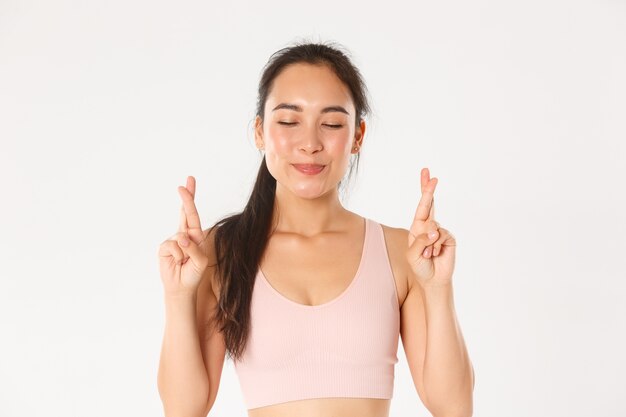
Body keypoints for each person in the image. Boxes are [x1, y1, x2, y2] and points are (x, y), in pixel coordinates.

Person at [157, 41, 475, 417]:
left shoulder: (399, 252)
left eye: (331, 124)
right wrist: (178, 297)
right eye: (289, 121)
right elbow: (183, 410)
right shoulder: (220, 253)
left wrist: (437, 288)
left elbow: (454, 408)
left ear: (357, 136)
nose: (309, 144)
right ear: (260, 132)